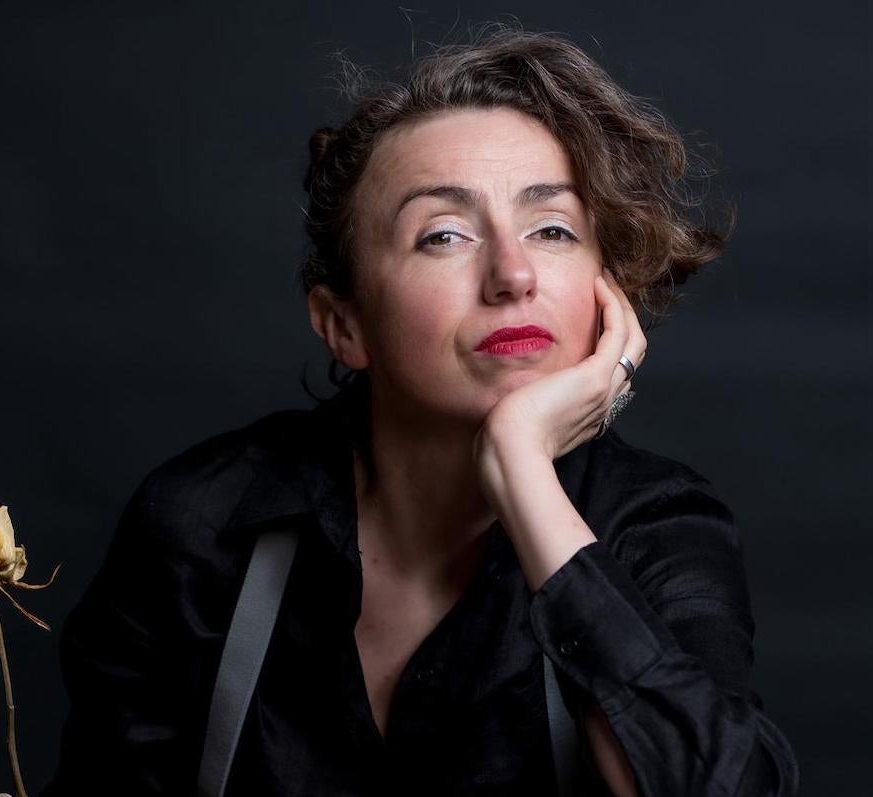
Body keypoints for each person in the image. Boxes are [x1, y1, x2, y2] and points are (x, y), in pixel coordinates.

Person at [43, 27, 799, 796]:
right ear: (345, 325)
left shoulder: (657, 526)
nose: (511, 273)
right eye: (443, 235)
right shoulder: (205, 525)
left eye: (552, 230)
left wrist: (524, 476)